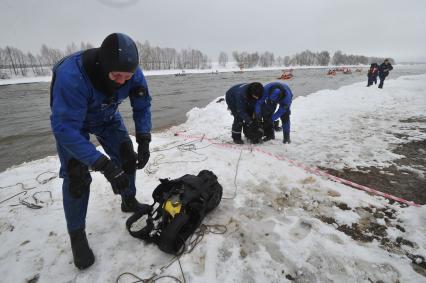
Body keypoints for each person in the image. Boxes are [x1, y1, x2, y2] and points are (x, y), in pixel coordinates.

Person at [50, 33, 152, 269]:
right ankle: (77, 235)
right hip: (73, 123)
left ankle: (128, 200)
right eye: (117, 76)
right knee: (76, 176)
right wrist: (103, 164)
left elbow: (142, 104)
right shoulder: (71, 76)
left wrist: (144, 139)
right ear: (102, 65)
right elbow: (64, 129)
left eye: (127, 77)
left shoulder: (132, 73)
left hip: (107, 116)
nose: (121, 82)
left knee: (127, 156)